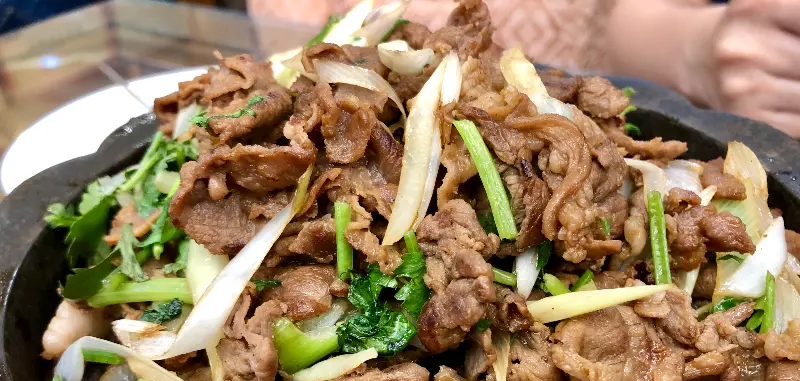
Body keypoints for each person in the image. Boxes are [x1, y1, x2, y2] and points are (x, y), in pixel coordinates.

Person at [249, 0, 800, 138]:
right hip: (325, 101)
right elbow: (288, 40)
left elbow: (622, 14)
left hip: (570, 105)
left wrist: (700, 51)